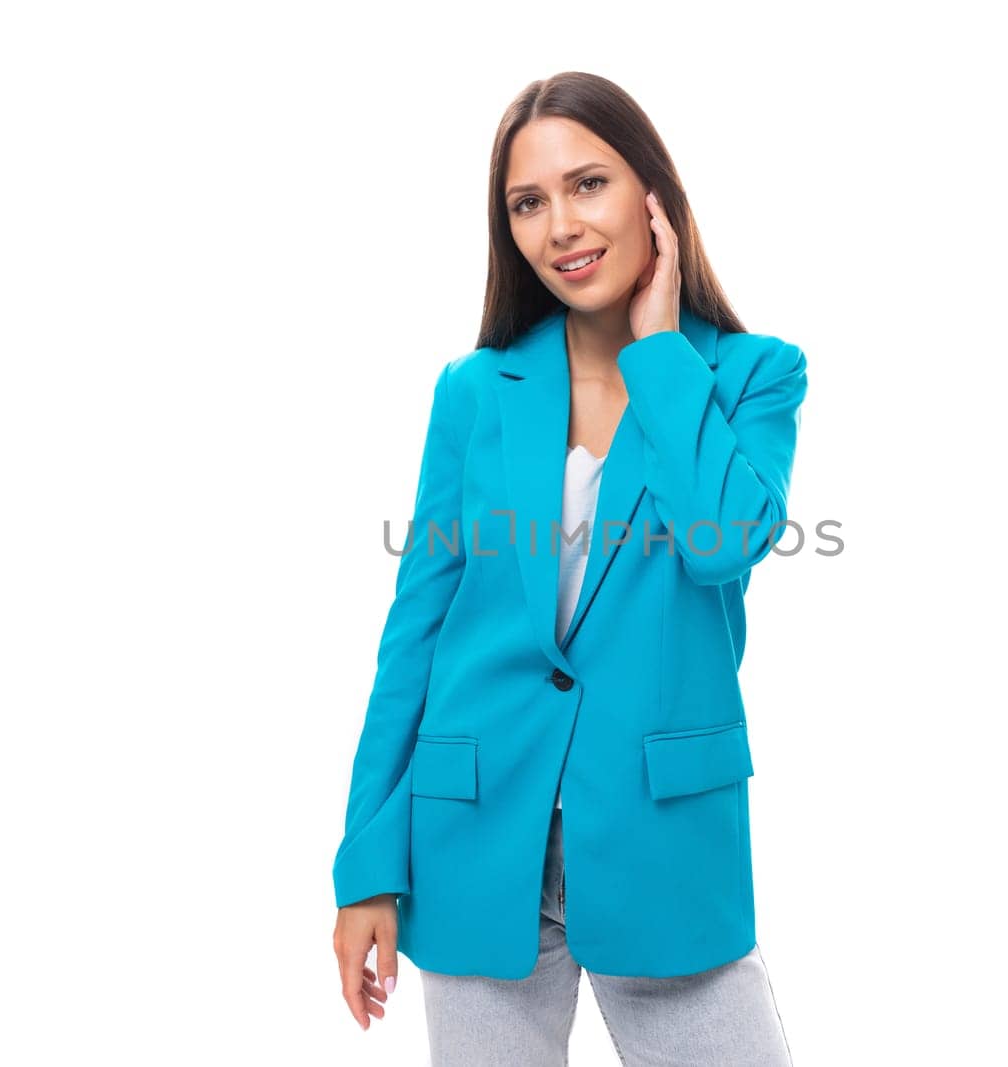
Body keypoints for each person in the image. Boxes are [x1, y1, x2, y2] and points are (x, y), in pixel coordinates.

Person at [331, 71, 806, 1065]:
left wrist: (660, 349)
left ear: (652, 196)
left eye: (587, 184)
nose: (559, 226)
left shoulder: (751, 373)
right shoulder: (473, 390)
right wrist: (366, 865)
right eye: (527, 202)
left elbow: (722, 539)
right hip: (473, 834)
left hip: (663, 842)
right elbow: (414, 632)